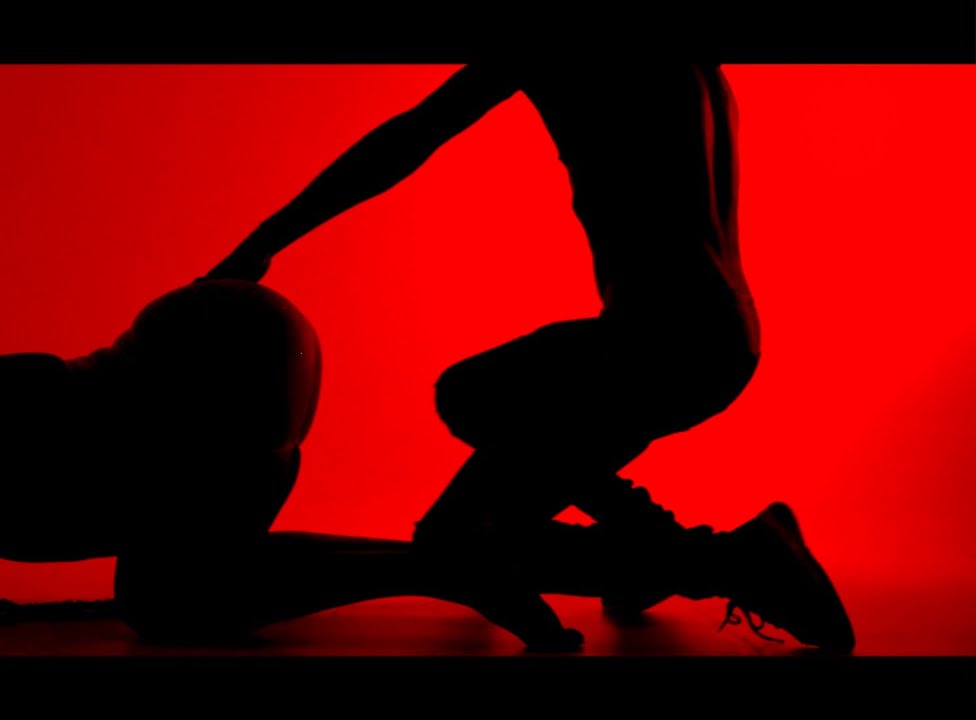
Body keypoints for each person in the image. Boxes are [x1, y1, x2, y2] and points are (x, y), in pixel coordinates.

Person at [204, 58, 855, 651]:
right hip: (716, 333)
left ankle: (721, 561)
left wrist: (263, 242)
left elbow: (410, 137)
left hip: (658, 341)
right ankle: (647, 561)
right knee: (461, 531)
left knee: (468, 408)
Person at [0, 279, 581, 649]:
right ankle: (446, 566)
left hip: (221, 368)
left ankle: (441, 567)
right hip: (232, 358)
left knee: (173, 599)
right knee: (178, 591)